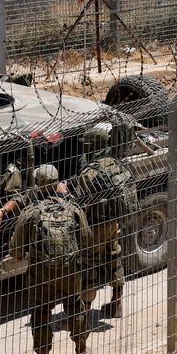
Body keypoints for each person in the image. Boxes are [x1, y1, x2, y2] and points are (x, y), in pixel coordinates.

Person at [11, 165, 93, 354]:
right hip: (69, 270)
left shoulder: (30, 213)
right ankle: (81, 351)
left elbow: (16, 251)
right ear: (58, 183)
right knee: (75, 306)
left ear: (37, 186)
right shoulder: (73, 209)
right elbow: (86, 239)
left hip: (41, 273)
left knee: (41, 313)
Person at [70, 125, 131, 318]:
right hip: (113, 223)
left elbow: (80, 204)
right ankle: (116, 304)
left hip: (94, 227)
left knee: (89, 266)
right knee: (114, 259)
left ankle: (84, 315)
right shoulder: (116, 164)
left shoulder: (89, 172)